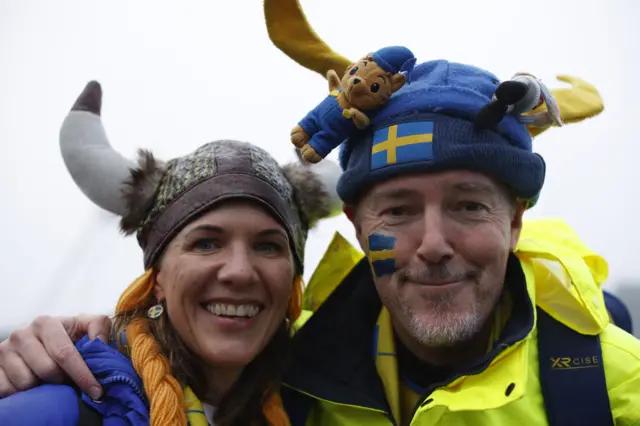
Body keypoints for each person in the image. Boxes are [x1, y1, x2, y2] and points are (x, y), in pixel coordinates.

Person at [3, 4, 640, 426]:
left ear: (518, 222)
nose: (435, 244)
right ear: (359, 228)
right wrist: (68, 348)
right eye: (399, 209)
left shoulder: (613, 389)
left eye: (470, 205)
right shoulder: (292, 380)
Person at [0, 80, 342, 426]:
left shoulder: (328, 404)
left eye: (268, 246)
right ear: (157, 279)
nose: (239, 271)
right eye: (206, 243)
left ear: (293, 280)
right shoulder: (53, 413)